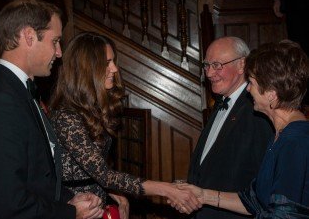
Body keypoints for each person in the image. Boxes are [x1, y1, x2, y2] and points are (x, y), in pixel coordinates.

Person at [0, 0, 104, 219]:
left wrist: (68, 198)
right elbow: (9, 205)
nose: (59, 52)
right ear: (29, 36)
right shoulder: (0, 102)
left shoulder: (19, 91)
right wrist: (70, 213)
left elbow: (36, 177)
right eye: (55, 41)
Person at [48, 31, 201, 219]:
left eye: (113, 61)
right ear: (87, 69)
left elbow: (93, 171)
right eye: (107, 63)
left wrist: (114, 192)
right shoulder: (66, 117)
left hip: (95, 205)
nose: (114, 69)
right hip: (75, 208)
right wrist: (168, 189)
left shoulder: (89, 108)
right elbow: (103, 174)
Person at [174, 40, 309, 218]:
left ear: (271, 94)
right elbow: (253, 201)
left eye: (251, 82)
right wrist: (203, 195)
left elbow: (286, 214)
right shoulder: (280, 135)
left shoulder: (295, 142)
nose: (248, 88)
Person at [187, 36, 274, 219]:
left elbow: (264, 184)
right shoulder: (222, 102)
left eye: (217, 65)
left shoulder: (257, 111)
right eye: (206, 65)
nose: (210, 73)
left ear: (242, 65)